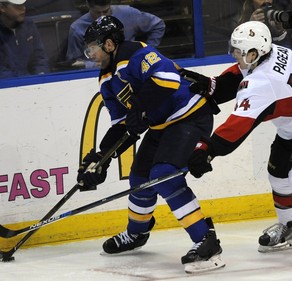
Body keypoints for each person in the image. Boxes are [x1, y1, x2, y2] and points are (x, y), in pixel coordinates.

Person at [76, 15, 241, 274]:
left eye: (93, 47)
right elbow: (122, 124)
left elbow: (168, 80)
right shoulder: (106, 80)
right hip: (161, 125)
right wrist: (100, 158)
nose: (90, 54)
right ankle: (136, 234)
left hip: (190, 115)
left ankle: (206, 241)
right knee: (140, 178)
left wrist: (139, 109)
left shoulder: (136, 52)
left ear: (109, 44)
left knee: (163, 175)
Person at [186, 21, 292, 270]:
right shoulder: (274, 51)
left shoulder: (261, 83)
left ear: (253, 53)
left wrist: (207, 149)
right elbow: (241, 72)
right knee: (278, 174)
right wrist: (212, 85)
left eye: (238, 52)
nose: (234, 55)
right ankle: (289, 227)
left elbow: (237, 127)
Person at [65, 0, 165, 69]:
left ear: (110, 4)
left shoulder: (128, 13)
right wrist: (92, 65)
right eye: (97, 12)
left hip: (130, 67)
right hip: (96, 72)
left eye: (105, 11)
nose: (102, 17)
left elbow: (158, 25)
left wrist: (147, 51)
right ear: (88, 6)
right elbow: (74, 62)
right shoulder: (77, 28)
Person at [0, 0, 49, 79]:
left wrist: (41, 75)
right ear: (2, 7)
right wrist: (24, 81)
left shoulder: (29, 25)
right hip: (6, 87)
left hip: (31, 82)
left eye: (24, 5)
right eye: (17, 6)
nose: (23, 8)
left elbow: (40, 57)